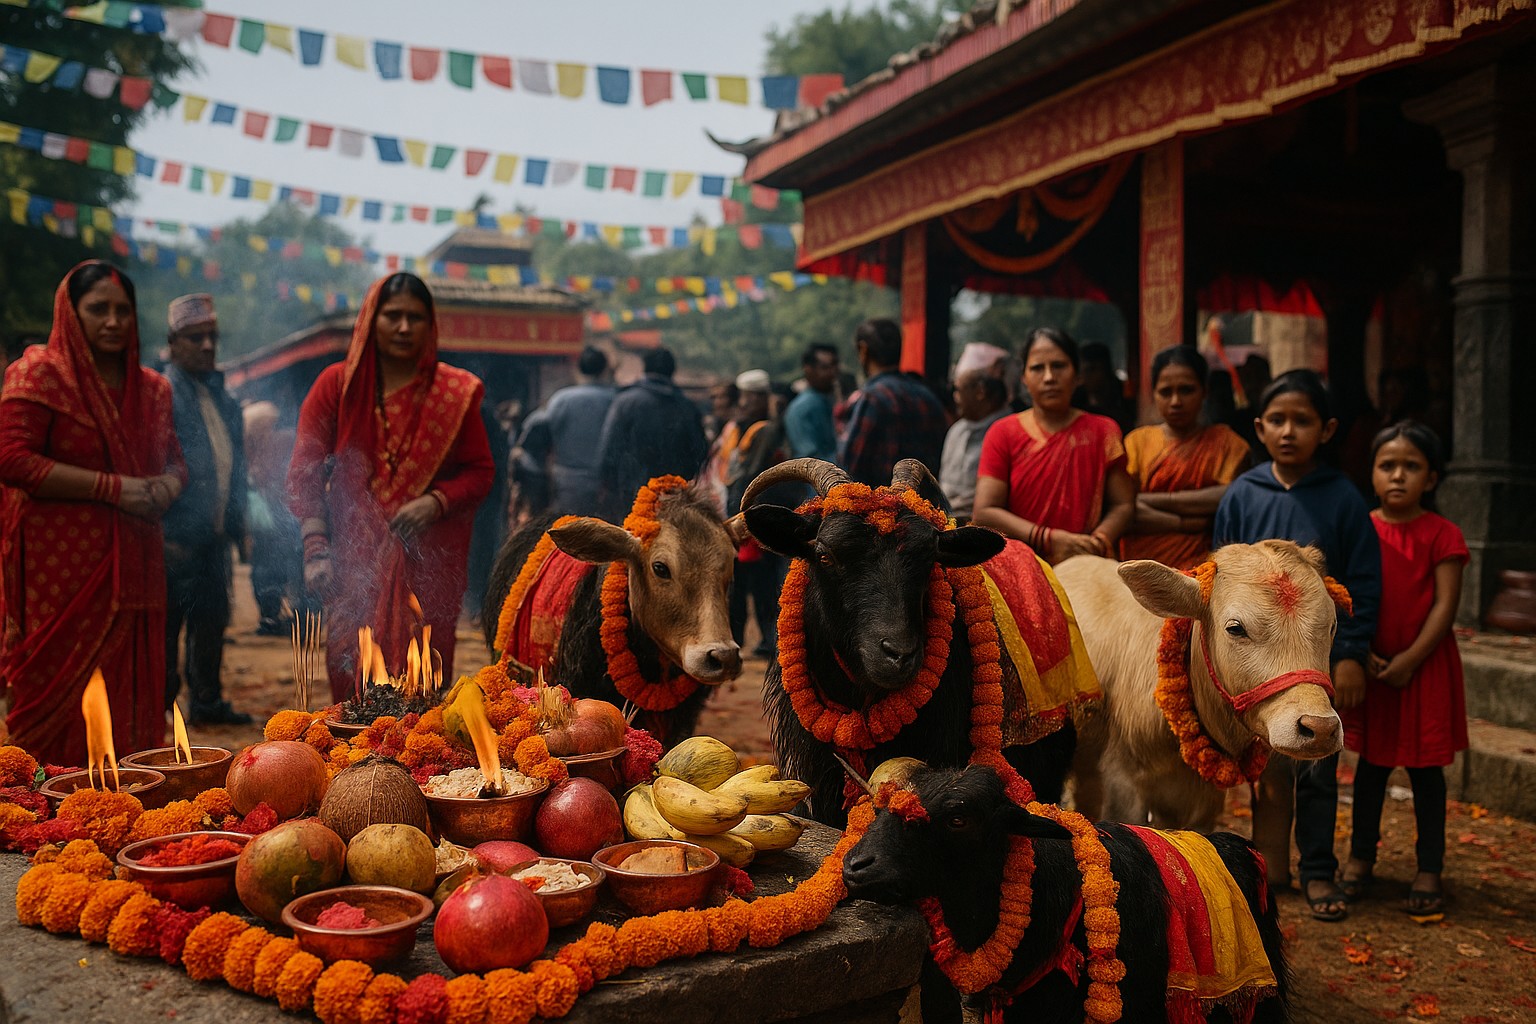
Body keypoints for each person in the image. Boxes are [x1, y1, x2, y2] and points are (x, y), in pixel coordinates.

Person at [0, 262, 186, 765]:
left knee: (133, 679)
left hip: (136, 562)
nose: (112, 321)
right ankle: (46, 798)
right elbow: (11, 459)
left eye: (122, 310)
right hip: (59, 570)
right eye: (98, 309)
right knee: (55, 684)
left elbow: (174, 463)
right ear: (70, 312)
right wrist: (115, 489)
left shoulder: (153, 389)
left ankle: (131, 786)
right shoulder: (38, 373)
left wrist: (166, 487)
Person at [1212, 369, 1381, 922]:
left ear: (1327, 429)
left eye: (1302, 421)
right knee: (1258, 770)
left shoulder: (1342, 498)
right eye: (1278, 421)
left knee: (1316, 768)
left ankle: (1317, 871)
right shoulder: (1244, 493)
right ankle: (1267, 873)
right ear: (1259, 427)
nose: (1289, 432)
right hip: (1258, 665)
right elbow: (1223, 577)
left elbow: (1363, 579)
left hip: (1313, 661)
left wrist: (1352, 652)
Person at [288, 273, 495, 701]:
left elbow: (480, 471)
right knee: (352, 678)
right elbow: (305, 470)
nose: (404, 328)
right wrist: (315, 550)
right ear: (371, 319)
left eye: (415, 318)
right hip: (352, 562)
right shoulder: (337, 385)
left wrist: (435, 502)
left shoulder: (452, 392)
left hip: (429, 563)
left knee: (425, 682)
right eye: (393, 316)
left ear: (430, 325)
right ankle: (355, 766)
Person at [1339, 422, 1466, 919]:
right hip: (1372, 670)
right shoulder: (1361, 529)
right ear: (1371, 472)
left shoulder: (1443, 534)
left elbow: (1445, 607)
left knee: (1425, 774)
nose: (1397, 476)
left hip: (1424, 669)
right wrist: (1361, 650)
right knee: (1371, 770)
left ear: (1431, 479)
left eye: (1410, 467)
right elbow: (1348, 594)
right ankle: (1360, 860)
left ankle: (1429, 867)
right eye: (1387, 466)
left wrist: (1410, 660)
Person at [160, 294, 251, 725]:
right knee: (166, 627)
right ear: (173, 343)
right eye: (195, 338)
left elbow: (237, 468)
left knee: (212, 620)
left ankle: (207, 703)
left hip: (214, 537)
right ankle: (158, 706)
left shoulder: (224, 399)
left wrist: (238, 525)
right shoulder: (161, 394)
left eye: (212, 337)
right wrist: (161, 533)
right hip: (174, 537)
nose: (207, 346)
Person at [972, 327, 1137, 564]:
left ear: (1078, 375)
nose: (1049, 377)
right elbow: (985, 511)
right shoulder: (1003, 433)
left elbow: (1123, 504)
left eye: (1059, 366)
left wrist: (1098, 541)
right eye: (1038, 368)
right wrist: (1048, 539)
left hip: (1086, 566)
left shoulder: (1104, 431)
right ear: (1024, 378)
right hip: (1019, 567)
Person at [1120, 346, 1251, 570]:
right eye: (1165, 392)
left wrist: (1149, 500)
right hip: (1141, 566)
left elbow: (1228, 498)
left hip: (1203, 569)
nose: (1175, 402)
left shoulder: (1228, 444)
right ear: (1153, 393)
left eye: (1186, 390)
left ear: (1204, 391)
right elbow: (1124, 509)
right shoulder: (1137, 442)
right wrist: (1187, 522)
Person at [594, 347, 708, 521]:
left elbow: (609, 447)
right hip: (674, 495)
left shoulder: (626, 402)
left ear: (645, 369)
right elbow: (700, 451)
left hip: (631, 493)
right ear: (672, 371)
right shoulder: (686, 406)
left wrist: (605, 484)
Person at [721, 370, 785, 656]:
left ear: (761, 398)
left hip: (753, 515)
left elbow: (752, 474)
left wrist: (742, 513)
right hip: (736, 513)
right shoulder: (738, 428)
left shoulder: (766, 430)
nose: (745, 402)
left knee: (761, 583)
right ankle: (738, 638)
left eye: (751, 396)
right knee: (737, 583)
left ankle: (768, 640)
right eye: (744, 396)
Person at [836, 319, 947, 486]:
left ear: (863, 350)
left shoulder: (872, 398)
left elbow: (851, 466)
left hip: (883, 506)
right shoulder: (926, 394)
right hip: (924, 505)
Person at [517, 346, 615, 517]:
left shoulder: (561, 399)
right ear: (605, 369)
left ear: (578, 369)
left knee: (568, 536)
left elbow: (534, 433)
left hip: (567, 484)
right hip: (606, 486)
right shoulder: (615, 400)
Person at [243, 401, 304, 637]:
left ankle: (274, 615)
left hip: (277, 518)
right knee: (278, 565)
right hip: (277, 520)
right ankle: (280, 615)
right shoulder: (280, 441)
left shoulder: (272, 443)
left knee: (272, 566)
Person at [940, 370, 1009, 520]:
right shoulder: (956, 430)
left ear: (980, 392)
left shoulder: (1008, 432)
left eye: (958, 390)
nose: (955, 397)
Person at [782, 343, 840, 462]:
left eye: (834, 366)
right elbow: (810, 461)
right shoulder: (803, 408)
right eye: (825, 368)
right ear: (808, 370)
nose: (832, 373)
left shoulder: (826, 401)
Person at [1071, 341, 1135, 433]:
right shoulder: (1075, 399)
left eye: (1090, 370)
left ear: (1105, 369)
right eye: (1082, 371)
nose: (1084, 376)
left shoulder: (1123, 399)